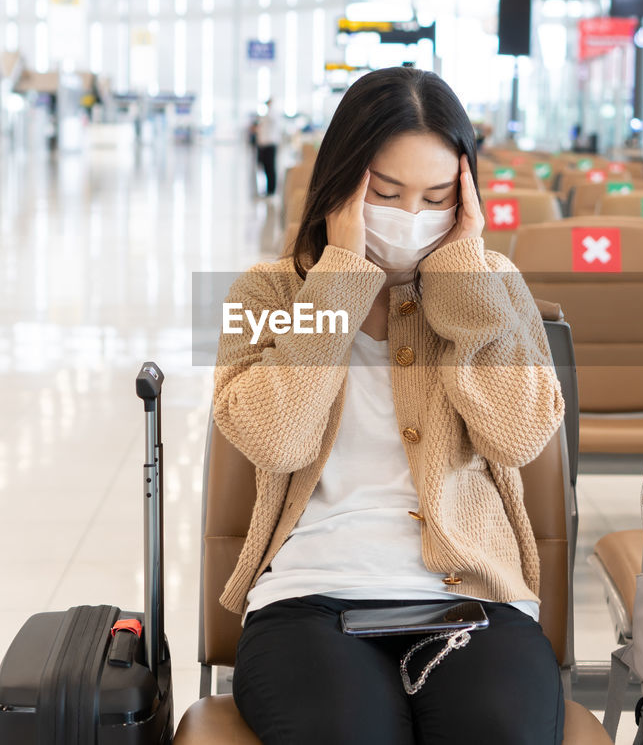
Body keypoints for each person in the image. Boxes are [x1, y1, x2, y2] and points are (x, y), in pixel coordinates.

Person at [213, 67, 566, 745]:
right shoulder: (269, 292)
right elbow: (276, 439)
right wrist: (340, 279)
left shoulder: (492, 284)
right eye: (386, 192)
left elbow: (517, 436)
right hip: (308, 596)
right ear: (342, 184)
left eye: (436, 197)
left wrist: (462, 280)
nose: (411, 217)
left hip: (472, 598)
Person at [255, 100, 279, 196]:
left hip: (270, 146)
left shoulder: (272, 115)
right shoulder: (265, 117)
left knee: (270, 168)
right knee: (265, 168)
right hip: (264, 146)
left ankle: (271, 190)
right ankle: (268, 189)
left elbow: (272, 120)